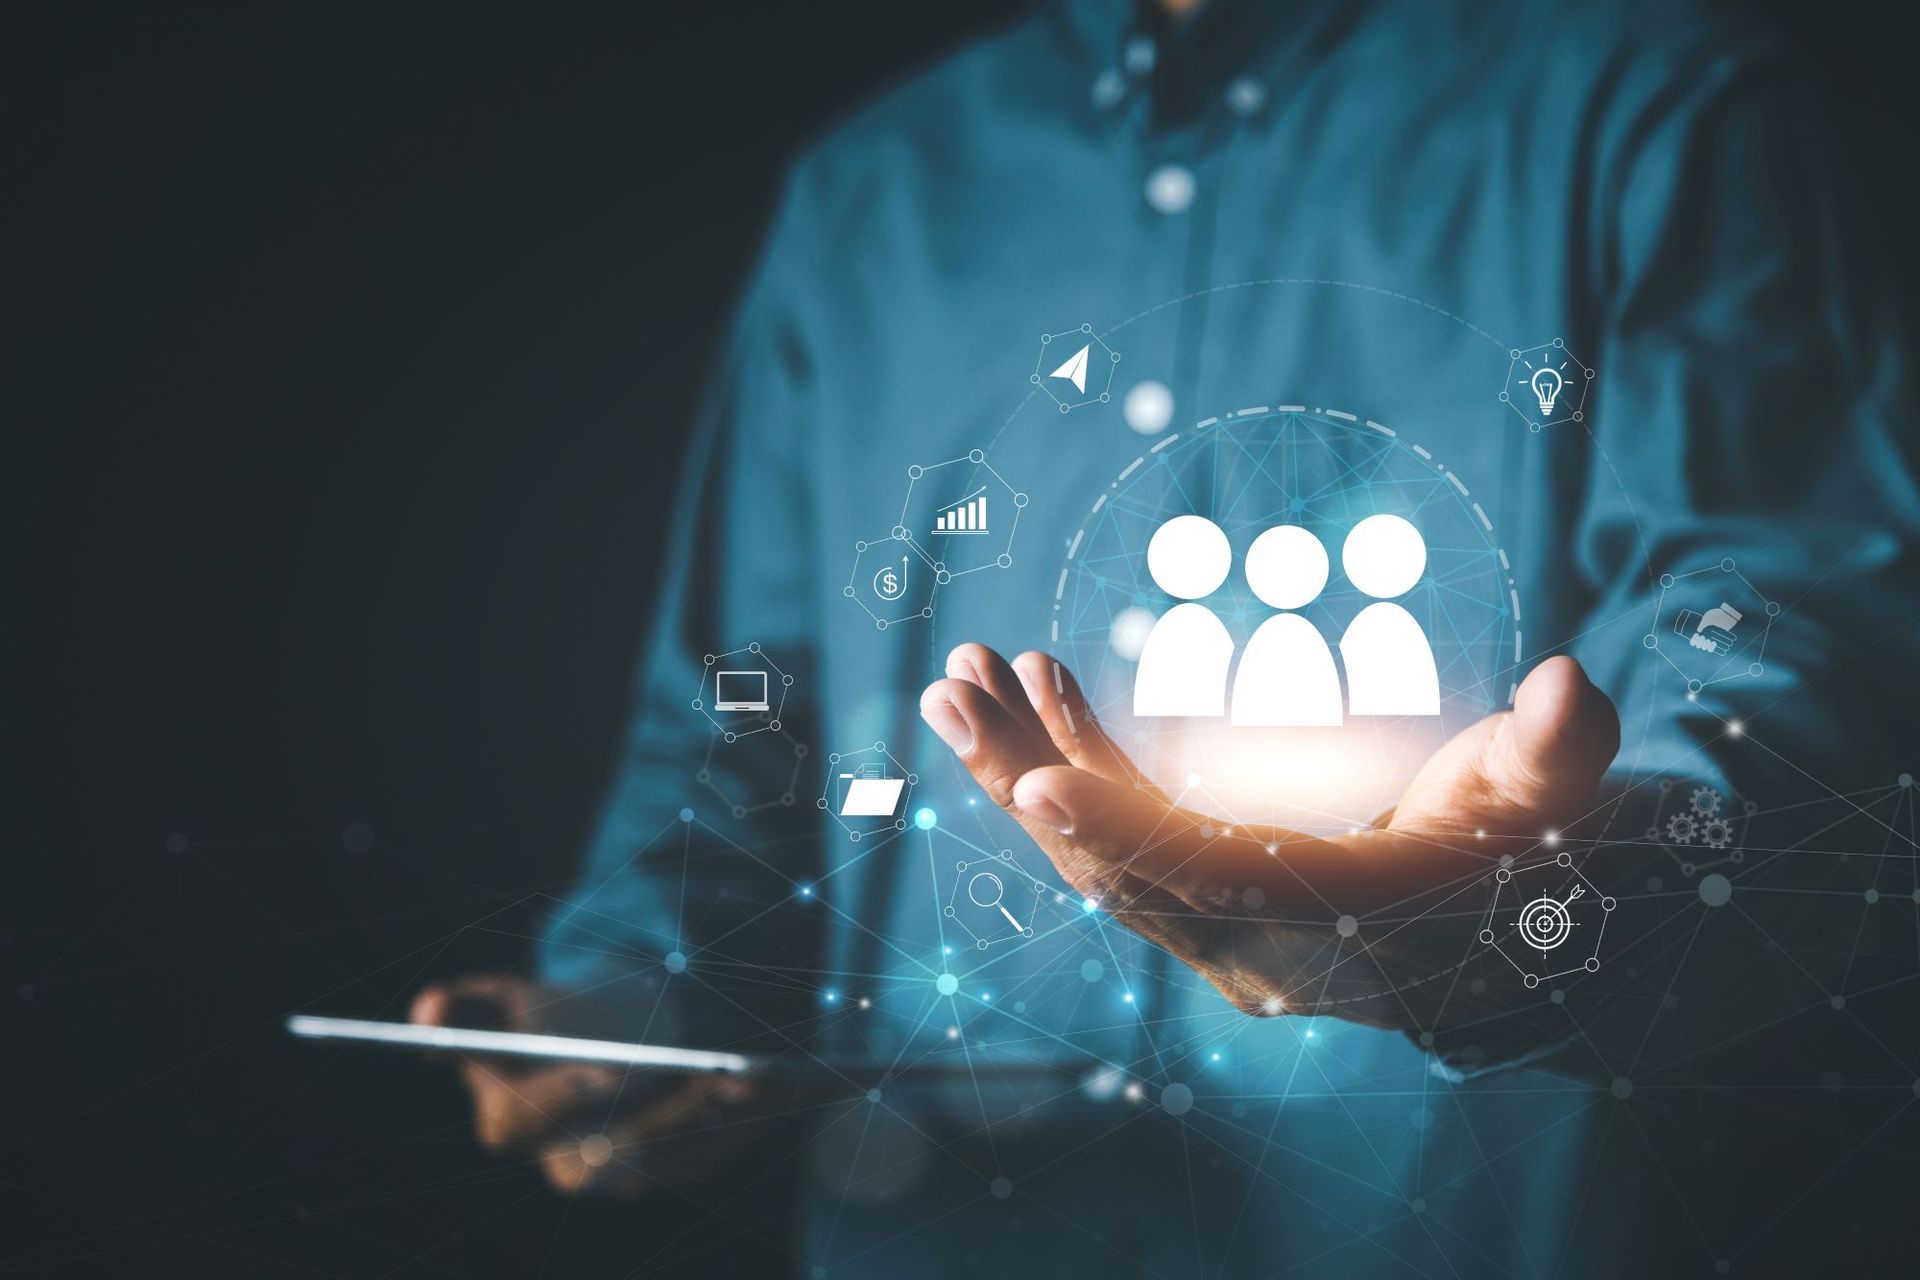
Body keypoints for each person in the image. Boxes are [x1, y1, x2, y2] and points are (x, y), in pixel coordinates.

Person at [412, 0, 1919, 1273]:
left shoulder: (1659, 100)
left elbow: (1776, 640)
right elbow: (742, 711)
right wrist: (629, 1003)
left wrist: (1553, 902)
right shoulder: (870, 199)